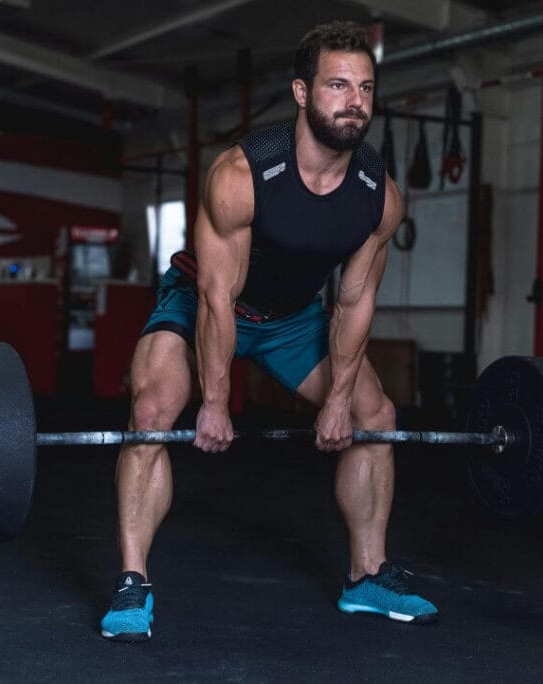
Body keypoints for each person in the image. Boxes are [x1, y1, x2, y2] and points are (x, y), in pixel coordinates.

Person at [101, 19, 438, 642]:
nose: (354, 101)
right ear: (303, 93)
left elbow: (356, 300)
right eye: (338, 85)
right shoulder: (241, 175)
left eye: (365, 87)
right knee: (152, 410)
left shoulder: (378, 196)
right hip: (201, 304)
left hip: (291, 321)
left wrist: (337, 400)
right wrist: (216, 400)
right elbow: (216, 296)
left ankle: (366, 577)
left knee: (376, 414)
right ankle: (133, 580)